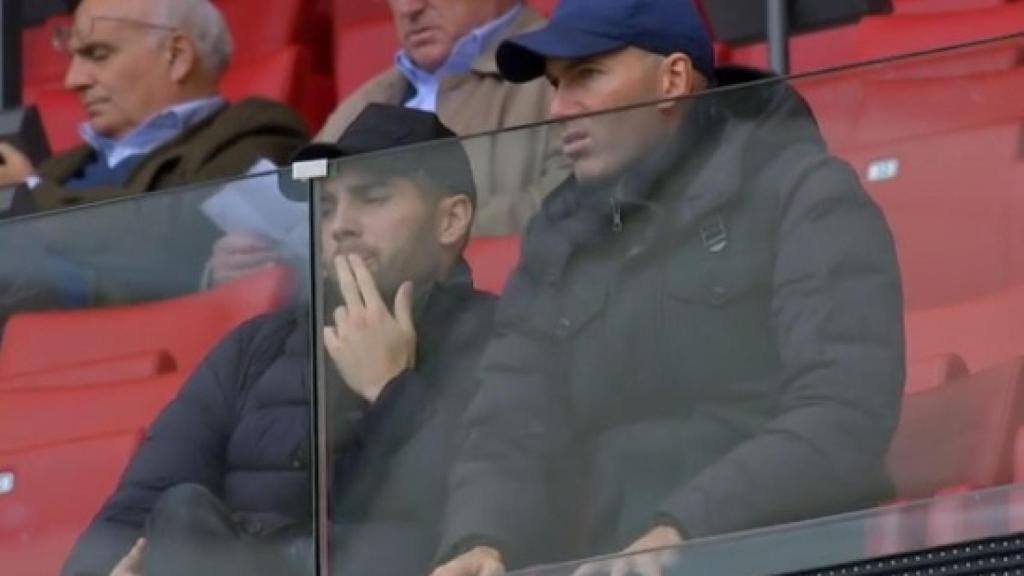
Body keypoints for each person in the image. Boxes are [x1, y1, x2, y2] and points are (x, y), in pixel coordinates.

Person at [431, 0, 906, 574]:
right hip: (608, 559)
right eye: (555, 85)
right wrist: (482, 539)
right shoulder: (557, 235)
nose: (558, 109)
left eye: (587, 75)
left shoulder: (802, 193)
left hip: (773, 553)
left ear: (672, 80)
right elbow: (510, 419)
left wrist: (687, 527)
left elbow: (843, 413)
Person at [60, 105, 496, 576]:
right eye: (326, 207)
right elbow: (134, 508)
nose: (340, 225)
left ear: (450, 220)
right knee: (181, 512)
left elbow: (490, 512)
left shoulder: (506, 337)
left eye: (372, 197)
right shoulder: (255, 348)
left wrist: (390, 389)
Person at [208, 0, 566, 287]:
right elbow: (301, 220)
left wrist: (405, 241)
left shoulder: (567, 71)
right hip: (341, 330)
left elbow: (576, 202)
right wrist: (245, 263)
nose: (409, 8)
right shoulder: (362, 101)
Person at [0, 0, 307, 216]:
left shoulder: (256, 130)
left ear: (177, 56)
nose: (72, 80)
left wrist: (30, 193)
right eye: (73, 59)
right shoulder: (59, 166)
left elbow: (185, 238)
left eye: (98, 54)